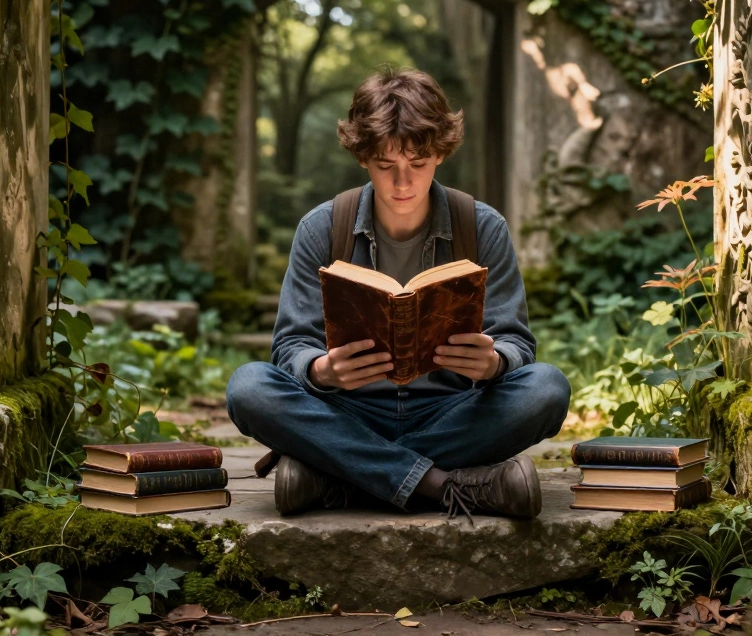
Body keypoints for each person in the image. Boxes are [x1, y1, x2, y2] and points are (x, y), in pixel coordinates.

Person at [226, 66, 571, 520]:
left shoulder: (482, 226)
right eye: (386, 166)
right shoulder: (322, 228)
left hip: (453, 412)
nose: (403, 183)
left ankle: (338, 475)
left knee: (547, 388)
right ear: (363, 157)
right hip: (348, 410)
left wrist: (495, 363)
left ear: (441, 155)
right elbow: (290, 345)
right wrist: (322, 370)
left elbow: (516, 343)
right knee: (248, 387)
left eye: (418, 164)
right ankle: (443, 485)